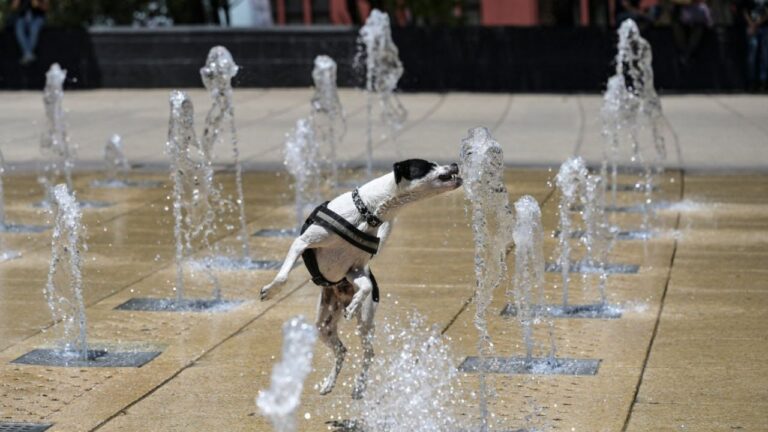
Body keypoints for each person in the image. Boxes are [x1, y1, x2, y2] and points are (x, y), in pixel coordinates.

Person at [672, 0, 713, 65]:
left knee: (699, 27)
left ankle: (686, 55)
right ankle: (685, 54)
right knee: (677, 26)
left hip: (697, 12)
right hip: (683, 12)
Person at [10, 0, 48, 65]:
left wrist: (38, 4)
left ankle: (27, 55)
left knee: (34, 29)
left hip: (38, 17)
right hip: (22, 18)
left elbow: (46, 8)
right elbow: (13, 7)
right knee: (19, 29)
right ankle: (29, 54)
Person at [742, 0, 768, 91]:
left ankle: (763, 82)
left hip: (765, 27)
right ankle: (751, 82)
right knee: (751, 56)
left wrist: (758, 23)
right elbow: (744, 11)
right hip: (751, 27)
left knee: (764, 56)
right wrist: (751, 24)